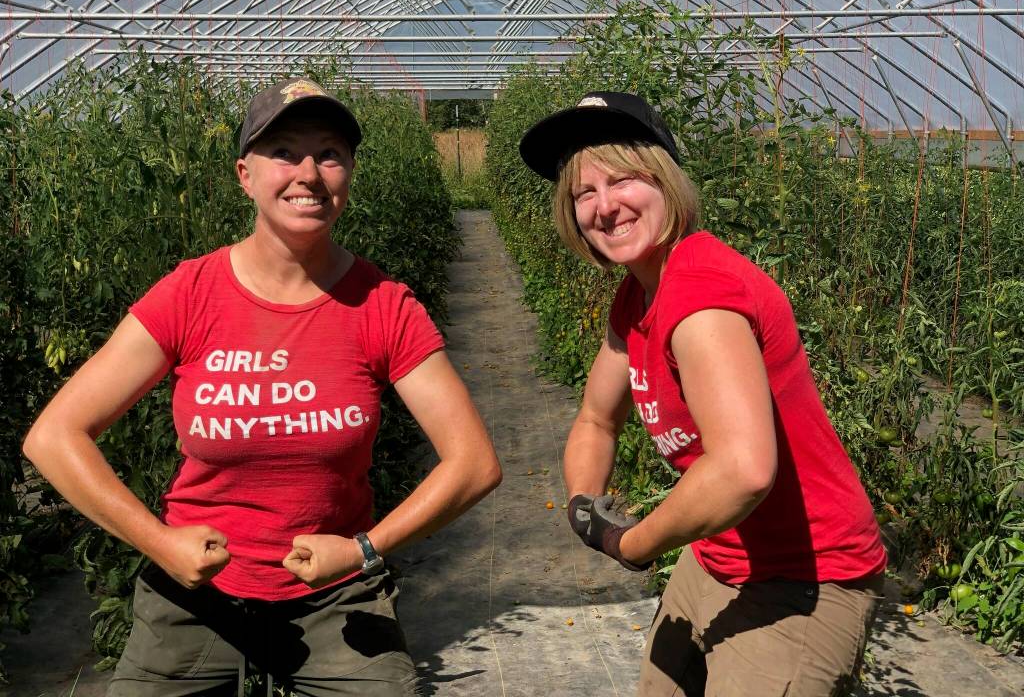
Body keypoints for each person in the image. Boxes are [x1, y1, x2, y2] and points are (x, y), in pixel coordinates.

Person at [23, 77, 502, 696]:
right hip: (197, 594)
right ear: (245, 174)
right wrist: (161, 543)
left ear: (349, 173)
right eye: (284, 152)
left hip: (337, 598)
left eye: (329, 153)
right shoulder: (190, 294)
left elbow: (474, 463)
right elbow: (55, 436)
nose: (308, 172)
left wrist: (363, 549)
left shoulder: (383, 305)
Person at [518, 91, 886, 697]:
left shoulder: (698, 293)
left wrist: (633, 541)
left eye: (624, 180)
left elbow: (742, 471)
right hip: (717, 556)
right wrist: (586, 500)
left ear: (665, 180)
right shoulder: (637, 295)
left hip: (804, 575)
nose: (606, 206)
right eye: (585, 192)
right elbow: (595, 419)